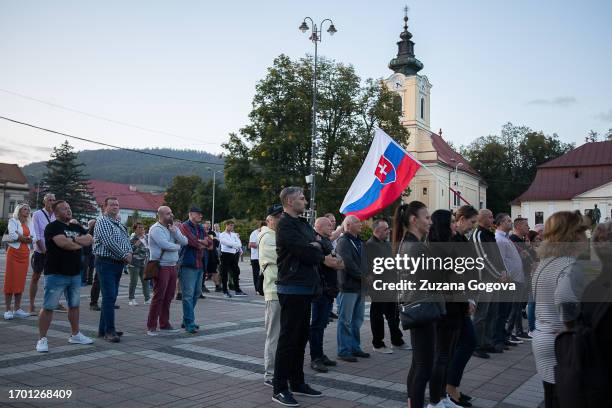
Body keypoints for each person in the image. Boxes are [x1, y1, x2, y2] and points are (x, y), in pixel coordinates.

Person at [272, 187, 339, 406]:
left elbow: (321, 245)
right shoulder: (285, 224)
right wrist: (316, 248)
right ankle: (279, 387)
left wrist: (316, 245)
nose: (305, 201)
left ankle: (297, 382)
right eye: (301, 198)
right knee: (288, 339)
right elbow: (307, 253)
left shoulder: (301, 223)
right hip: (292, 287)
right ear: (290, 202)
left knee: (301, 338)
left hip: (306, 288)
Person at [531, 211, 587, 408]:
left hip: (543, 336)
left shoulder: (546, 262)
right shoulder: (570, 264)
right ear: (572, 235)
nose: (586, 238)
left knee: (552, 395)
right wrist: (570, 326)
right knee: (565, 399)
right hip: (560, 341)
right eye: (582, 233)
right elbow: (565, 297)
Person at [392, 201, 443, 408]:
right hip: (421, 308)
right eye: (427, 217)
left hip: (417, 307)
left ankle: (413, 403)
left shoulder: (409, 243)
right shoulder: (415, 247)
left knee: (419, 364)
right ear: (414, 220)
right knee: (424, 366)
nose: (430, 222)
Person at [36, 200, 94, 352]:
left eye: (69, 208)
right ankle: (42, 339)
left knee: (74, 305)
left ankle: (75, 335)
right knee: (49, 306)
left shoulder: (75, 226)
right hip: (56, 274)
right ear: (56, 212)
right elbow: (63, 244)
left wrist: (74, 240)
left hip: (75, 274)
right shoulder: (52, 227)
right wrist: (78, 243)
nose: (68, 211)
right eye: (64, 209)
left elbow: (89, 239)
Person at [427, 209, 464, 408]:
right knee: (441, 356)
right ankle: (435, 400)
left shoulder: (450, 245)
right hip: (445, 308)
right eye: (451, 222)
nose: (455, 225)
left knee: (447, 355)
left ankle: (442, 396)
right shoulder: (435, 248)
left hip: (455, 305)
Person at [446, 205, 479, 407]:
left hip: (462, 300)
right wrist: (467, 298)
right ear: (461, 219)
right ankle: (450, 387)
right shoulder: (452, 240)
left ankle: (452, 387)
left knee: (463, 343)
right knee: (468, 341)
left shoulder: (461, 239)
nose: (472, 227)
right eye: (472, 222)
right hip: (455, 302)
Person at [93, 197, 133, 343]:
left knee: (111, 297)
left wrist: (129, 253)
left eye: (117, 204)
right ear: (105, 207)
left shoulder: (118, 223)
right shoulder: (102, 221)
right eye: (112, 205)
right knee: (109, 296)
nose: (115, 207)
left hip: (117, 263)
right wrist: (124, 254)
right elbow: (109, 242)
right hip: (106, 263)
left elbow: (126, 240)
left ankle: (103, 329)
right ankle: (109, 331)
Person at [366, 218, 408, 354]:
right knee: (377, 315)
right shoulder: (371, 245)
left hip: (390, 284)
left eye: (388, 228)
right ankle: (378, 343)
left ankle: (397, 341)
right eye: (385, 229)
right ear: (377, 230)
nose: (388, 231)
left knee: (393, 315)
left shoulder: (386, 243)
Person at [146, 206, 187, 335]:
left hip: (172, 265)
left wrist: (175, 232)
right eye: (169, 214)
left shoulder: (173, 228)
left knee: (169, 296)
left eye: (171, 213)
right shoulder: (155, 229)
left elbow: (185, 241)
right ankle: (151, 326)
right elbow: (164, 245)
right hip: (161, 266)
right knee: (159, 296)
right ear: (161, 215)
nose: (172, 215)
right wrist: (177, 246)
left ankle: (164, 323)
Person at [471, 209, 506, 357]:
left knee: (493, 312)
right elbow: (483, 259)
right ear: (483, 218)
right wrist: (498, 274)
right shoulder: (478, 235)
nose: (493, 220)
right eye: (491, 217)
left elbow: (497, 256)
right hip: (484, 279)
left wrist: (503, 270)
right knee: (481, 315)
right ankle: (476, 345)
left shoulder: (489, 234)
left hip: (495, 278)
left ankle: (487, 342)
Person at [310, 216, 343, 372]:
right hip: (320, 289)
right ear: (320, 226)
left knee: (322, 324)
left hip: (329, 289)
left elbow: (339, 263)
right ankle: (315, 358)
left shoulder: (326, 241)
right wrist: (334, 261)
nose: (332, 227)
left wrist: (335, 261)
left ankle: (320, 354)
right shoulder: (317, 241)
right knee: (317, 325)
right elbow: (331, 262)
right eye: (329, 225)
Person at [30, 193, 66, 314]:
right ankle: (31, 304)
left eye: (53, 200)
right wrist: (45, 251)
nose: (52, 202)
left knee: (53, 278)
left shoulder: (56, 216)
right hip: (41, 251)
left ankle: (54, 302)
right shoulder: (37, 214)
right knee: (36, 277)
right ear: (44, 202)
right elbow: (36, 235)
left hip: (54, 252)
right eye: (49, 200)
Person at [493, 213, 524, 349]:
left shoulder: (505, 238)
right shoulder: (499, 239)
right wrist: (507, 276)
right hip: (507, 280)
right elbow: (501, 261)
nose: (511, 223)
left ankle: (503, 337)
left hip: (514, 279)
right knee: (502, 312)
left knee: (505, 311)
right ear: (500, 223)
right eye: (508, 221)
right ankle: (497, 339)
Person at [260, 204, 283, 386]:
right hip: (274, 291)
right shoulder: (267, 236)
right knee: (274, 334)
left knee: (281, 334)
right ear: (269, 219)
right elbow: (281, 257)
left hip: (283, 291)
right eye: (276, 216)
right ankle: (270, 373)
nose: (280, 219)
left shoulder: (277, 235)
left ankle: (279, 370)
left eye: (281, 215)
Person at [178, 206, 209, 333]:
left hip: (199, 264)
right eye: (198, 214)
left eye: (201, 214)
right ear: (191, 214)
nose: (201, 216)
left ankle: (186, 319)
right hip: (188, 264)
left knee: (196, 293)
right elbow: (192, 242)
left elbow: (211, 243)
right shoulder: (184, 226)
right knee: (188, 295)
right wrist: (202, 243)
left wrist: (204, 242)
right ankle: (189, 322)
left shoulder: (200, 227)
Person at [3, 203, 36, 320]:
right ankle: (7, 309)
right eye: (25, 209)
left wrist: (21, 236)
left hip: (24, 254)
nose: (27, 211)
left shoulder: (30, 222)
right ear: (19, 211)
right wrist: (26, 238)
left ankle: (17, 309)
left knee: (20, 281)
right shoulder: (13, 221)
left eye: (28, 209)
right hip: (14, 253)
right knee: (10, 280)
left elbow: (34, 238)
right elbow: (12, 235)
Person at [507, 217, 533, 341]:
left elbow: (528, 256)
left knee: (519, 305)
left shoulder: (522, 240)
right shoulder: (512, 240)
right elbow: (515, 258)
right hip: (517, 276)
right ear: (518, 227)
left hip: (525, 274)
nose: (528, 227)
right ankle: (510, 332)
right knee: (515, 306)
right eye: (526, 225)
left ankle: (518, 330)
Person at [219, 221, 246, 297]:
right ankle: (225, 291)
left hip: (234, 255)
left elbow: (239, 244)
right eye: (230, 225)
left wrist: (234, 245)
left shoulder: (234, 235)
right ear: (226, 226)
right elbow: (225, 243)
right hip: (225, 255)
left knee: (236, 272)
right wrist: (235, 245)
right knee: (224, 273)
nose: (232, 227)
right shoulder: (222, 235)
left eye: (233, 226)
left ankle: (237, 290)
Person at [127, 222, 150, 306]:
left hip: (144, 263)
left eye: (143, 228)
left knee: (146, 281)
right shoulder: (132, 239)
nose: (142, 229)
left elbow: (148, 249)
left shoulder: (146, 238)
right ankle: (131, 299)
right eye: (139, 228)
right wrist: (136, 245)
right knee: (134, 281)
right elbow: (128, 250)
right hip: (134, 263)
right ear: (135, 229)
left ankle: (147, 299)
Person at [249, 222, 265, 292]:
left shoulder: (265, 233)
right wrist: (262, 244)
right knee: (256, 274)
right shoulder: (254, 233)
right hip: (255, 257)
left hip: (263, 257)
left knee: (263, 274)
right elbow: (251, 244)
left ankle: (261, 288)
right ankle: (257, 289)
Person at [83, 219, 96, 285]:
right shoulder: (85, 231)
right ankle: (84, 280)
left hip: (93, 252)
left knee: (92, 266)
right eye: (93, 223)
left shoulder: (95, 231)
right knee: (85, 266)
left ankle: (90, 280)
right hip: (86, 252)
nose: (94, 225)